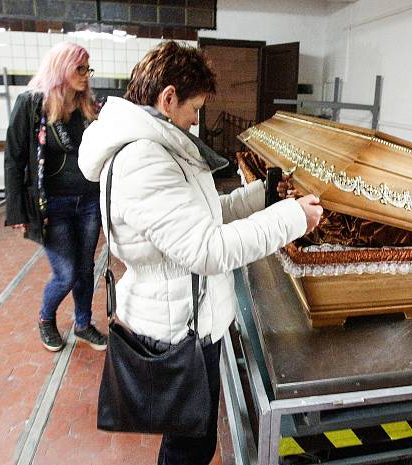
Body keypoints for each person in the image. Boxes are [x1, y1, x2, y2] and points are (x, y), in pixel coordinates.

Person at [78, 41, 323, 465]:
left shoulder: (159, 147)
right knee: (189, 446)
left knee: (189, 439)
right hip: (176, 327)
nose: (196, 121)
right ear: (168, 97)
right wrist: (291, 220)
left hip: (181, 314)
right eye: (194, 110)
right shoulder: (144, 159)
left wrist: (260, 198)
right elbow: (207, 249)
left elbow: (203, 217)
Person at [4, 42, 107, 352]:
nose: (86, 75)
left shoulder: (91, 107)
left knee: (86, 268)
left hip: (88, 201)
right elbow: (14, 159)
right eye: (80, 68)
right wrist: (17, 212)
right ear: (61, 66)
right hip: (52, 206)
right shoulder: (32, 104)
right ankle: (46, 318)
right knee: (67, 273)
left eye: (88, 69)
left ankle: (83, 324)